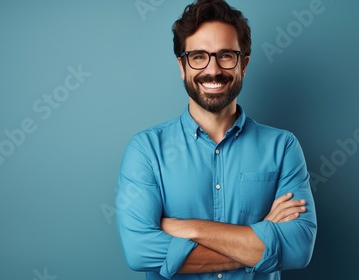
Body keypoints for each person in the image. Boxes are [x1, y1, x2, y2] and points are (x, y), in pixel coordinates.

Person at [116, 0, 317, 279]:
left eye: (225, 55)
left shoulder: (282, 147)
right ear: (182, 66)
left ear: (243, 64)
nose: (213, 70)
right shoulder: (146, 150)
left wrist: (190, 228)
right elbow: (140, 252)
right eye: (198, 56)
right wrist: (259, 240)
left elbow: (297, 249)